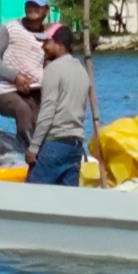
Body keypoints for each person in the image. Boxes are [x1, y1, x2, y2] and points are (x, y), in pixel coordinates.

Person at [26, 24, 91, 186]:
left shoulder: (53, 69)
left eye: (47, 42)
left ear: (60, 45)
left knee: (30, 196)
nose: (43, 46)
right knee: (67, 201)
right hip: (75, 146)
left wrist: (33, 147)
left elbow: (48, 111)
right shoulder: (82, 70)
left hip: (55, 144)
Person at [0, 0, 50, 147]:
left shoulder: (48, 37)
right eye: (29, 5)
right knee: (22, 110)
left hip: (35, 92)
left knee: (42, 122)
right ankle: (30, 153)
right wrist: (15, 76)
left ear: (46, 11)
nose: (32, 9)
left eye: (37, 6)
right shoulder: (11, 28)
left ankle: (40, 157)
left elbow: (48, 65)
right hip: (9, 91)